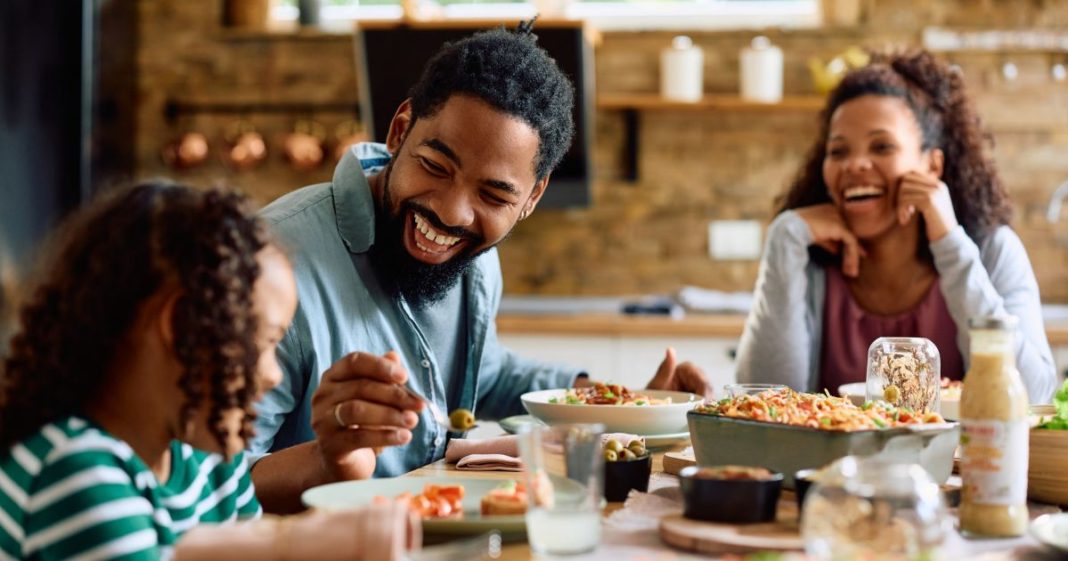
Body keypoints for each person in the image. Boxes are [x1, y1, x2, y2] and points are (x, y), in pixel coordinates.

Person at [250, 22, 710, 513]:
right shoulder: (270, 266)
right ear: (400, 131)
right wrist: (330, 459)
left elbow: (483, 374)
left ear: (531, 198)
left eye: (492, 194)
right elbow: (204, 482)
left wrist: (622, 404)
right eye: (435, 166)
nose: (451, 212)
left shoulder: (476, 262)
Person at [0, 182, 418, 560]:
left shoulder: (208, 461)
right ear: (179, 324)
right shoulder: (77, 471)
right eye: (265, 342)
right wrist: (295, 545)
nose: (273, 375)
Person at [735, 47, 1057, 403]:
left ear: (931, 166)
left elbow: (1032, 394)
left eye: (882, 147)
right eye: (838, 151)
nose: (855, 164)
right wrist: (785, 237)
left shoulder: (992, 250)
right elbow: (763, 403)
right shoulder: (810, 260)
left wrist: (950, 243)